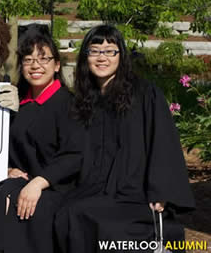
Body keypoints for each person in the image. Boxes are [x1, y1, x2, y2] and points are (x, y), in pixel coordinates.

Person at [54, 25, 195, 252]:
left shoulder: (144, 94)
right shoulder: (85, 100)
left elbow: (163, 143)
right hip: (94, 189)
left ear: (121, 56)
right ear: (85, 57)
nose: (102, 57)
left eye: (110, 51)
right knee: (67, 214)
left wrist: (161, 192)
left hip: (136, 193)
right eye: (95, 51)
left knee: (99, 222)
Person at [0, 24, 82, 253]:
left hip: (57, 185)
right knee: (2, 198)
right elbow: (5, 145)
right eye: (28, 59)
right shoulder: (17, 103)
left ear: (57, 65)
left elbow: (74, 155)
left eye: (43, 59)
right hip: (23, 179)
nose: (35, 65)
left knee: (33, 208)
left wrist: (38, 183)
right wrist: (8, 167)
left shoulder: (69, 105)